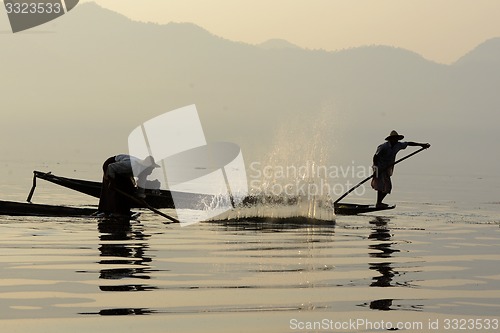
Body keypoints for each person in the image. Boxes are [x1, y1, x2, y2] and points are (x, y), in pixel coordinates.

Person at [371, 130, 430, 208]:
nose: (395, 140)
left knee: (387, 187)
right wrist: (376, 169)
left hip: (387, 167)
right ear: (390, 139)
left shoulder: (398, 145)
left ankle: (379, 202)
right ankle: (379, 203)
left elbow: (409, 143)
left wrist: (421, 145)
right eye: (394, 138)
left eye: (396, 139)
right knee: (381, 186)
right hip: (379, 167)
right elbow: (375, 157)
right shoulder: (383, 146)